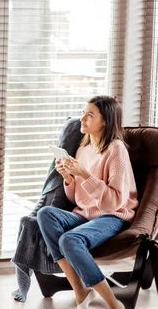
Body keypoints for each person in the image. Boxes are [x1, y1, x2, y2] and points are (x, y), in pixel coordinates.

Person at [36, 96, 138, 309]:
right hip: (84, 214)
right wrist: (69, 178)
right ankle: (80, 289)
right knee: (45, 213)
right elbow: (77, 199)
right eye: (83, 112)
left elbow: (113, 203)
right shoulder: (84, 148)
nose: (82, 118)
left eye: (89, 114)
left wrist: (84, 174)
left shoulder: (116, 150)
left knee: (70, 240)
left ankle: (113, 303)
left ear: (105, 121)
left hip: (113, 216)